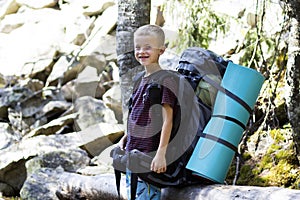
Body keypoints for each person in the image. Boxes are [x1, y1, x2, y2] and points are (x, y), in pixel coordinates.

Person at [117, 24, 178, 200]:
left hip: (149, 157)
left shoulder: (166, 79)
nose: (142, 52)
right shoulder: (139, 80)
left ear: (161, 50)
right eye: (138, 47)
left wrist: (161, 154)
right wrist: (126, 137)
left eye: (148, 47)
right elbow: (137, 113)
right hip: (132, 154)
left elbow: (168, 120)